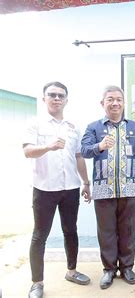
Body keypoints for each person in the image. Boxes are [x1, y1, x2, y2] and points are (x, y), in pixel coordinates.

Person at [23, 81, 91, 298]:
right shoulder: (35, 123)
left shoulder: (73, 126)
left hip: (70, 187)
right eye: (52, 95)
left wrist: (86, 183)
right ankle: (37, 283)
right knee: (39, 235)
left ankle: (71, 271)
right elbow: (28, 152)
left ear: (66, 100)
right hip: (44, 189)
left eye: (61, 96)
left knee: (70, 231)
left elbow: (78, 156)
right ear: (44, 99)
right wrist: (48, 146)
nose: (56, 99)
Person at [81, 85, 135, 290]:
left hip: (130, 187)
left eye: (119, 99)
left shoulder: (134, 127)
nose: (115, 103)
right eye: (110, 99)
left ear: (123, 103)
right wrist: (99, 146)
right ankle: (109, 269)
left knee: (127, 229)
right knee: (106, 231)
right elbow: (84, 151)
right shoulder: (94, 128)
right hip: (103, 189)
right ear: (103, 103)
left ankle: (127, 267)